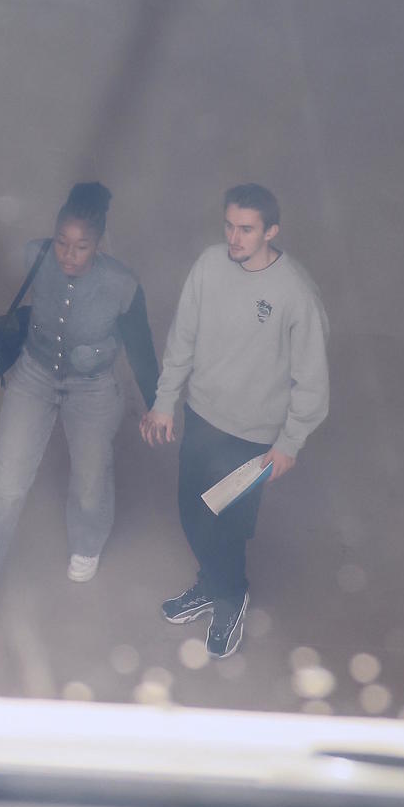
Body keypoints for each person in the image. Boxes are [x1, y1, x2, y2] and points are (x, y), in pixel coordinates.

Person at [0, 182, 160, 621]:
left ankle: (87, 542)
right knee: (5, 483)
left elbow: (142, 349)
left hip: (93, 389)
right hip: (33, 377)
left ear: (99, 244)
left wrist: (156, 404)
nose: (69, 255)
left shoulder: (122, 285)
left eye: (81, 247)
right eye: (62, 243)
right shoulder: (34, 255)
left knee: (91, 479)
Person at [140, 183, 329, 658]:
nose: (234, 238)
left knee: (225, 523)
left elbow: (313, 381)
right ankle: (213, 584)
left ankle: (229, 598)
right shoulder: (208, 265)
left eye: (246, 229)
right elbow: (183, 336)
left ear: (271, 231)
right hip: (202, 417)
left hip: (253, 439)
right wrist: (165, 401)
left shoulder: (294, 294)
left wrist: (290, 442)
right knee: (191, 512)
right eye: (229, 225)